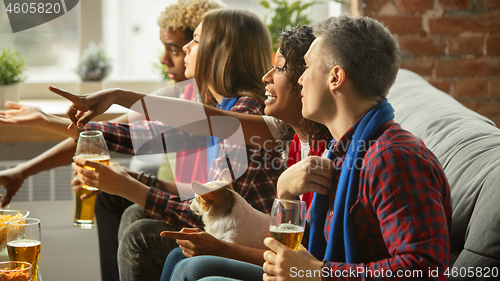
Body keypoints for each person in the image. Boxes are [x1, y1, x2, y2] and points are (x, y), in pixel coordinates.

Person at [167, 14, 452, 281]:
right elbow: (291, 256)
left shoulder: (393, 157)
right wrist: (285, 192)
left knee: (194, 268)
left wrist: (320, 273)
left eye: (308, 68)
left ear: (335, 78)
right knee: (181, 261)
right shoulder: (341, 150)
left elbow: (426, 269)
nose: (300, 78)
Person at [0, 1, 222, 280]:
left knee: (134, 225)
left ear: (211, 51)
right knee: (109, 196)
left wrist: (46, 121)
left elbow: (111, 136)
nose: (165, 59)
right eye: (165, 48)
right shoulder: (180, 94)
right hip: (183, 196)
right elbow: (108, 136)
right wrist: (24, 169)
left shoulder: (223, 110)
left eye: (175, 50)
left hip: (197, 208)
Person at [64, 9, 284, 281]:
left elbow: (214, 216)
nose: (186, 48)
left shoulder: (245, 112)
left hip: (241, 240)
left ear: (220, 52)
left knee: (140, 234)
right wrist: (48, 122)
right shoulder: (220, 106)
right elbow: (139, 137)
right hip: (222, 224)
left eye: (195, 40)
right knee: (129, 209)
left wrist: (129, 184)